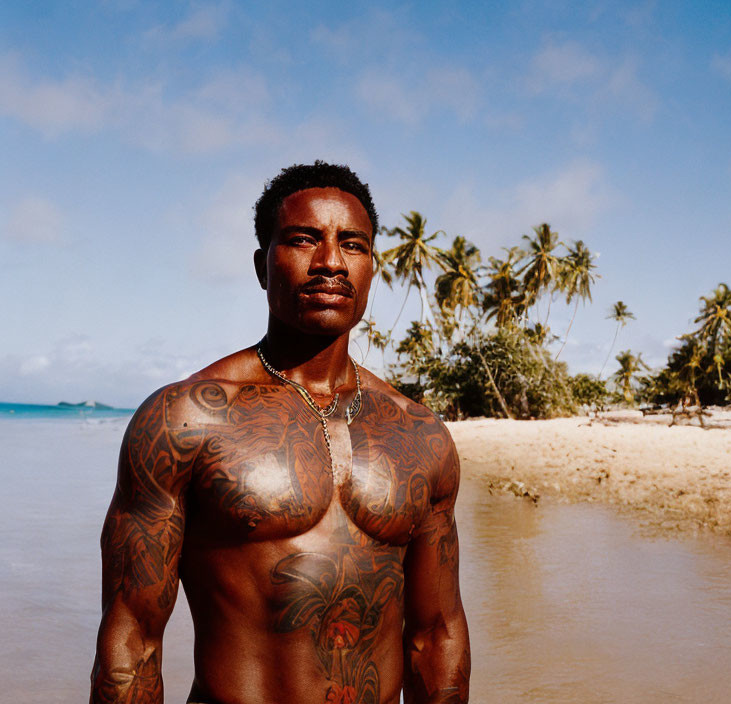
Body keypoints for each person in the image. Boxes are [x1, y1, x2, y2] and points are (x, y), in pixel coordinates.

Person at [90, 161, 471, 704]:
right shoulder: (185, 418)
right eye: (302, 240)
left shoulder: (420, 434)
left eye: (353, 245)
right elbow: (132, 640)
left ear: (372, 267)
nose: (330, 262)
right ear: (261, 266)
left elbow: (437, 634)